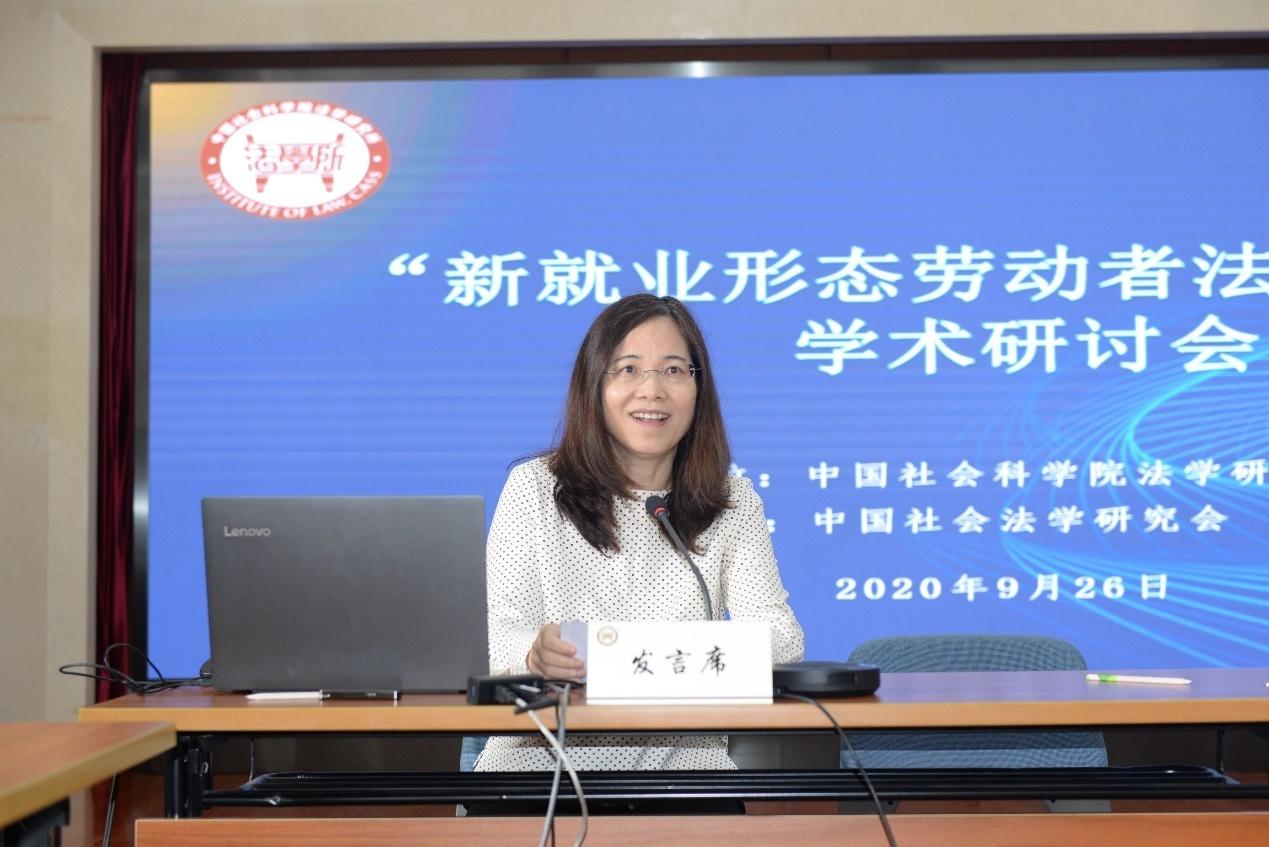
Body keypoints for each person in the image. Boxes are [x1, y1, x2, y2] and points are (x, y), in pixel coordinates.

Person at [475, 293, 804, 772]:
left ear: (699, 388)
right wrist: (534, 653)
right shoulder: (536, 488)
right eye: (628, 369)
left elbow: (783, 640)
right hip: (541, 772)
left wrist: (641, 657)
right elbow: (492, 641)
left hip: (686, 775)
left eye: (673, 370)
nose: (652, 390)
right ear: (594, 385)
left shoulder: (732, 501)